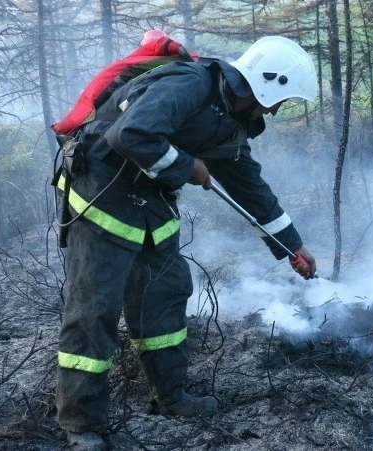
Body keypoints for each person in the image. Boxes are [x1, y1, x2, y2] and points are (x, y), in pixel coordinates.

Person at [54, 35, 318, 451]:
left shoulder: (230, 117)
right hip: (102, 194)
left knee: (165, 293)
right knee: (96, 309)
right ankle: (81, 422)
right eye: (284, 98)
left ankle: (170, 396)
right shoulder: (190, 85)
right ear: (271, 83)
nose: (281, 109)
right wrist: (187, 165)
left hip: (151, 202)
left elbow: (249, 185)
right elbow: (131, 135)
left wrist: (291, 245)